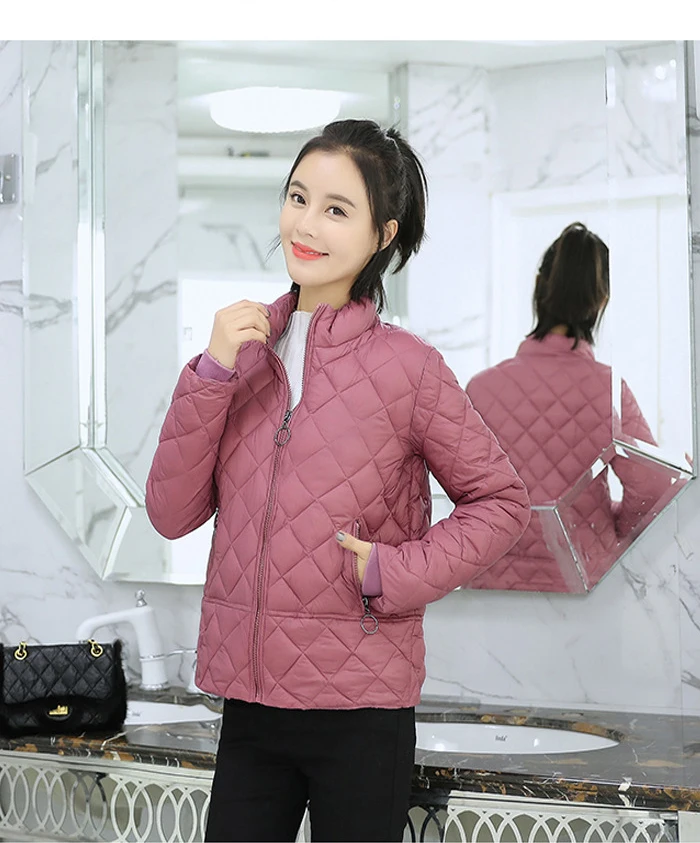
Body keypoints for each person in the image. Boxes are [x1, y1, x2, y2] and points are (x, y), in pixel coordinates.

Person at [145, 118, 530, 843]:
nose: (306, 224)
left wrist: (394, 570)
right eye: (297, 197)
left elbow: (501, 503)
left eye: (336, 209)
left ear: (383, 234)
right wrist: (210, 374)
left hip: (362, 712)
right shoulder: (237, 355)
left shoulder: (409, 368)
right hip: (250, 707)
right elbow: (170, 513)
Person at [465, 222, 680, 593]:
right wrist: (608, 525)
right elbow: (655, 483)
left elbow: (462, 499)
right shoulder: (607, 389)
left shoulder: (481, 389)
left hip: (492, 591)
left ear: (538, 287)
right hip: (582, 592)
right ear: (601, 301)